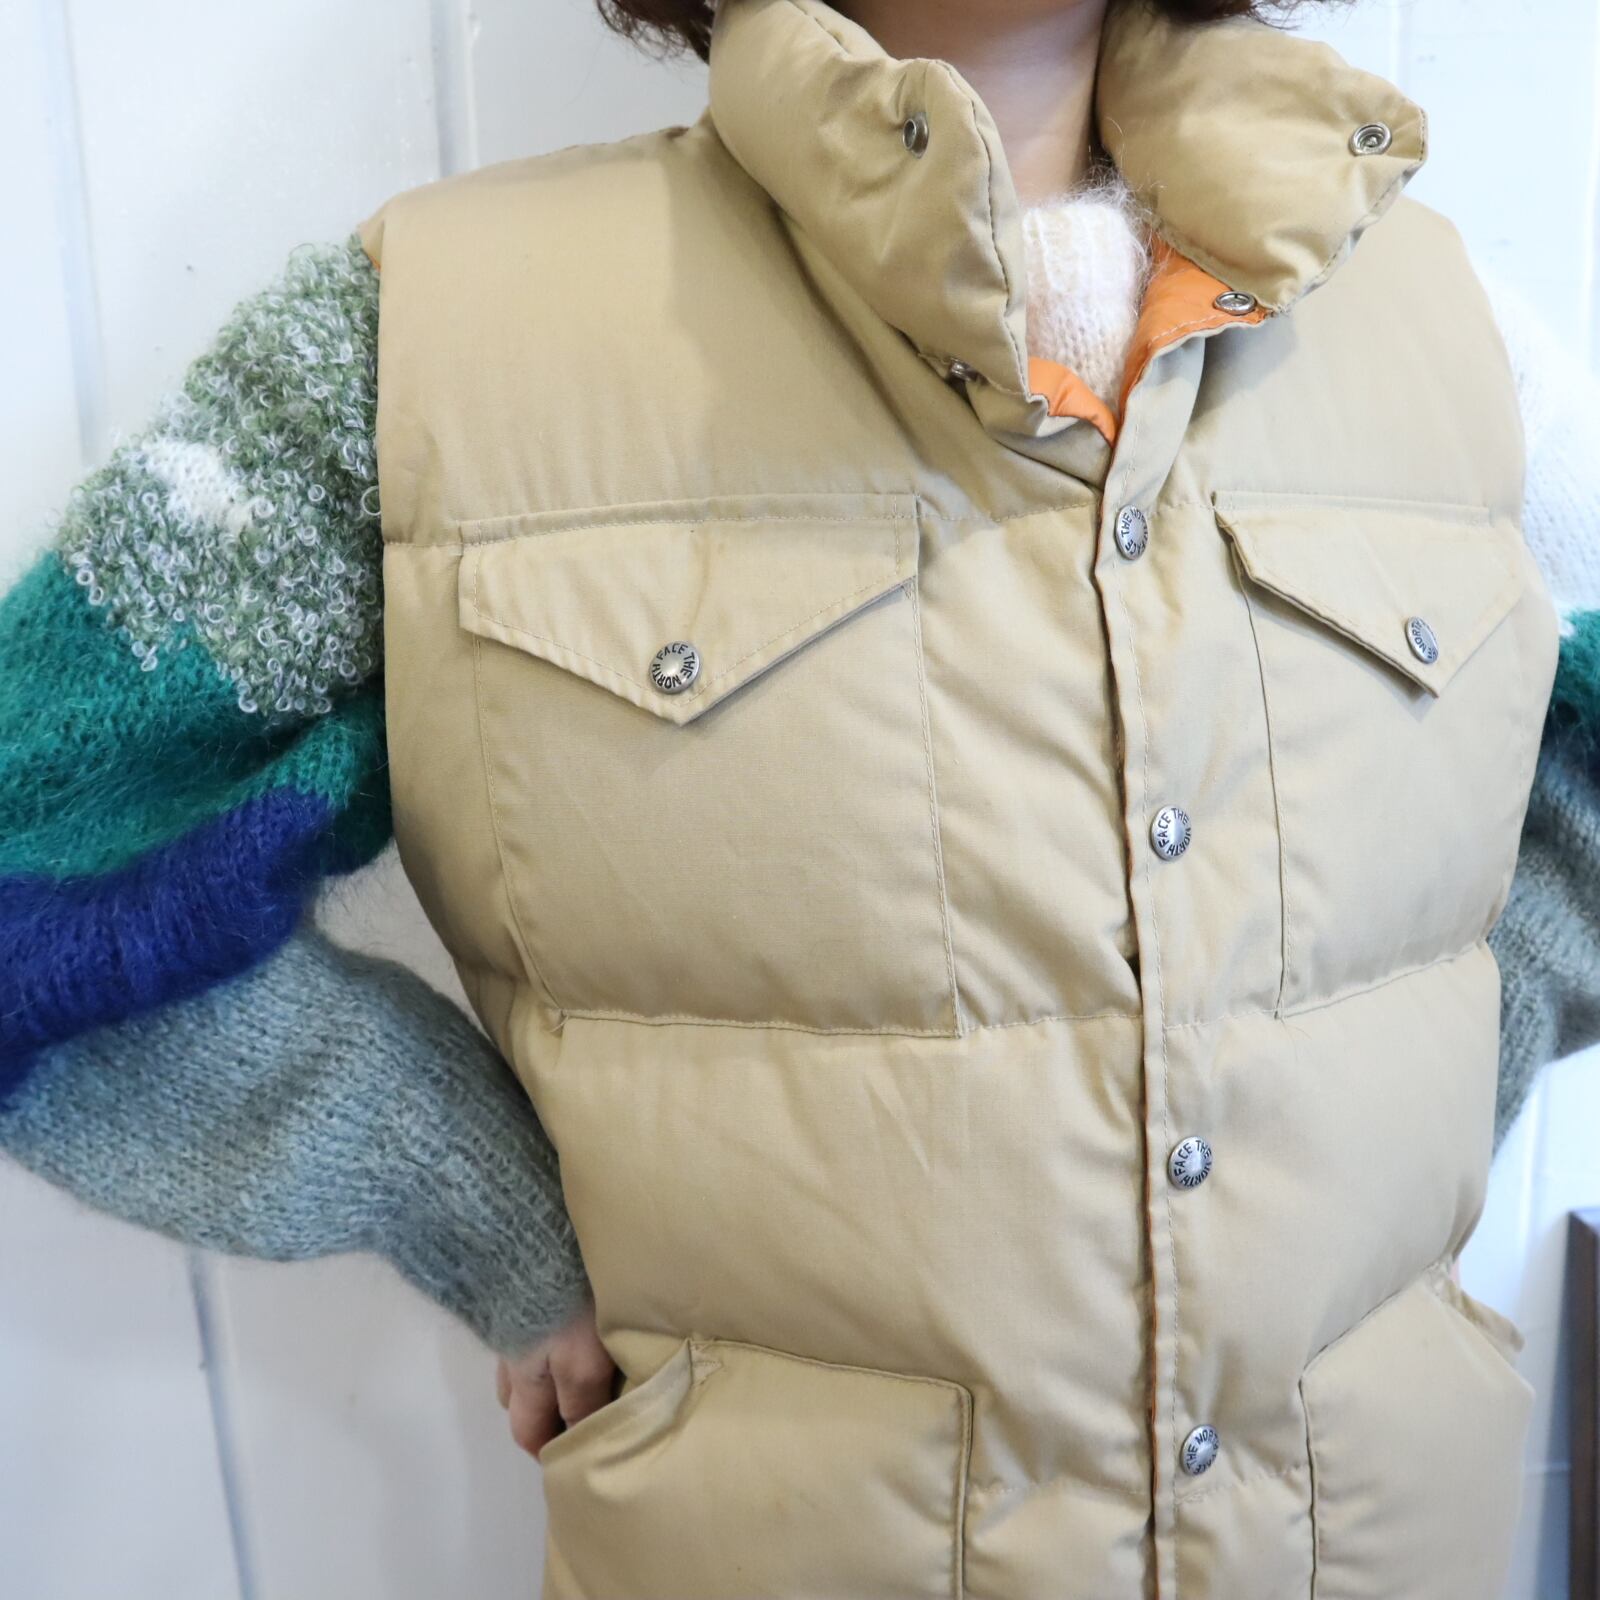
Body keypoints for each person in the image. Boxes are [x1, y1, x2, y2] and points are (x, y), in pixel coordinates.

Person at [3, 0, 1598, 1592]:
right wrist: (465, 1197)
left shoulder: (1446, 331)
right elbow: (28, 857)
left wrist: (1438, 1072)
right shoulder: (429, 349)